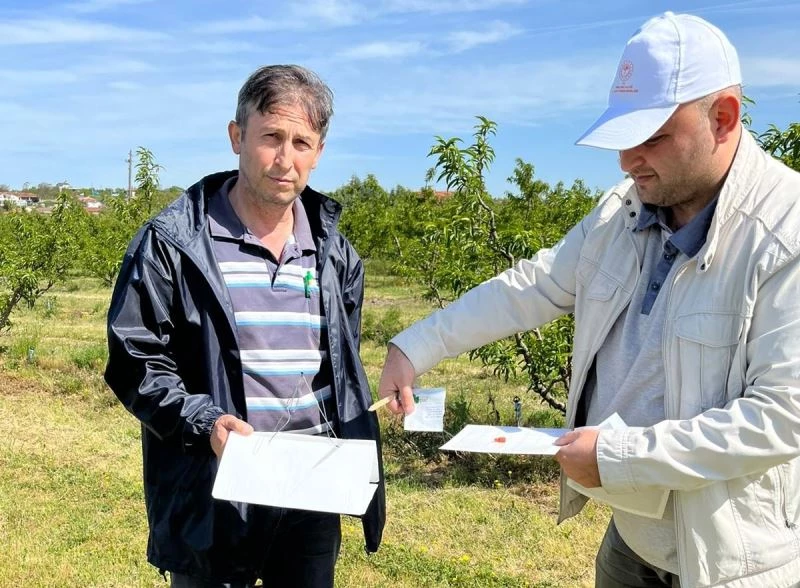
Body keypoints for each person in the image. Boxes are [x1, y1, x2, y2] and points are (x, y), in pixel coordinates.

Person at [378, 12, 800, 588]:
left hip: (727, 559)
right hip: (632, 540)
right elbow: (534, 286)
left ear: (722, 118)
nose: (627, 161)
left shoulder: (784, 232)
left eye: (652, 137)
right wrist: (416, 345)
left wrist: (618, 457)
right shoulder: (620, 213)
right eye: (624, 137)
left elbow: (781, 418)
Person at [105, 64, 385, 588]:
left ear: (319, 151)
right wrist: (204, 422)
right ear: (237, 136)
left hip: (310, 486)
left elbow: (339, 364)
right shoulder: (177, 243)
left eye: (302, 142)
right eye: (271, 137)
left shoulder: (334, 253)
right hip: (215, 485)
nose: (286, 159)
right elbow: (134, 358)